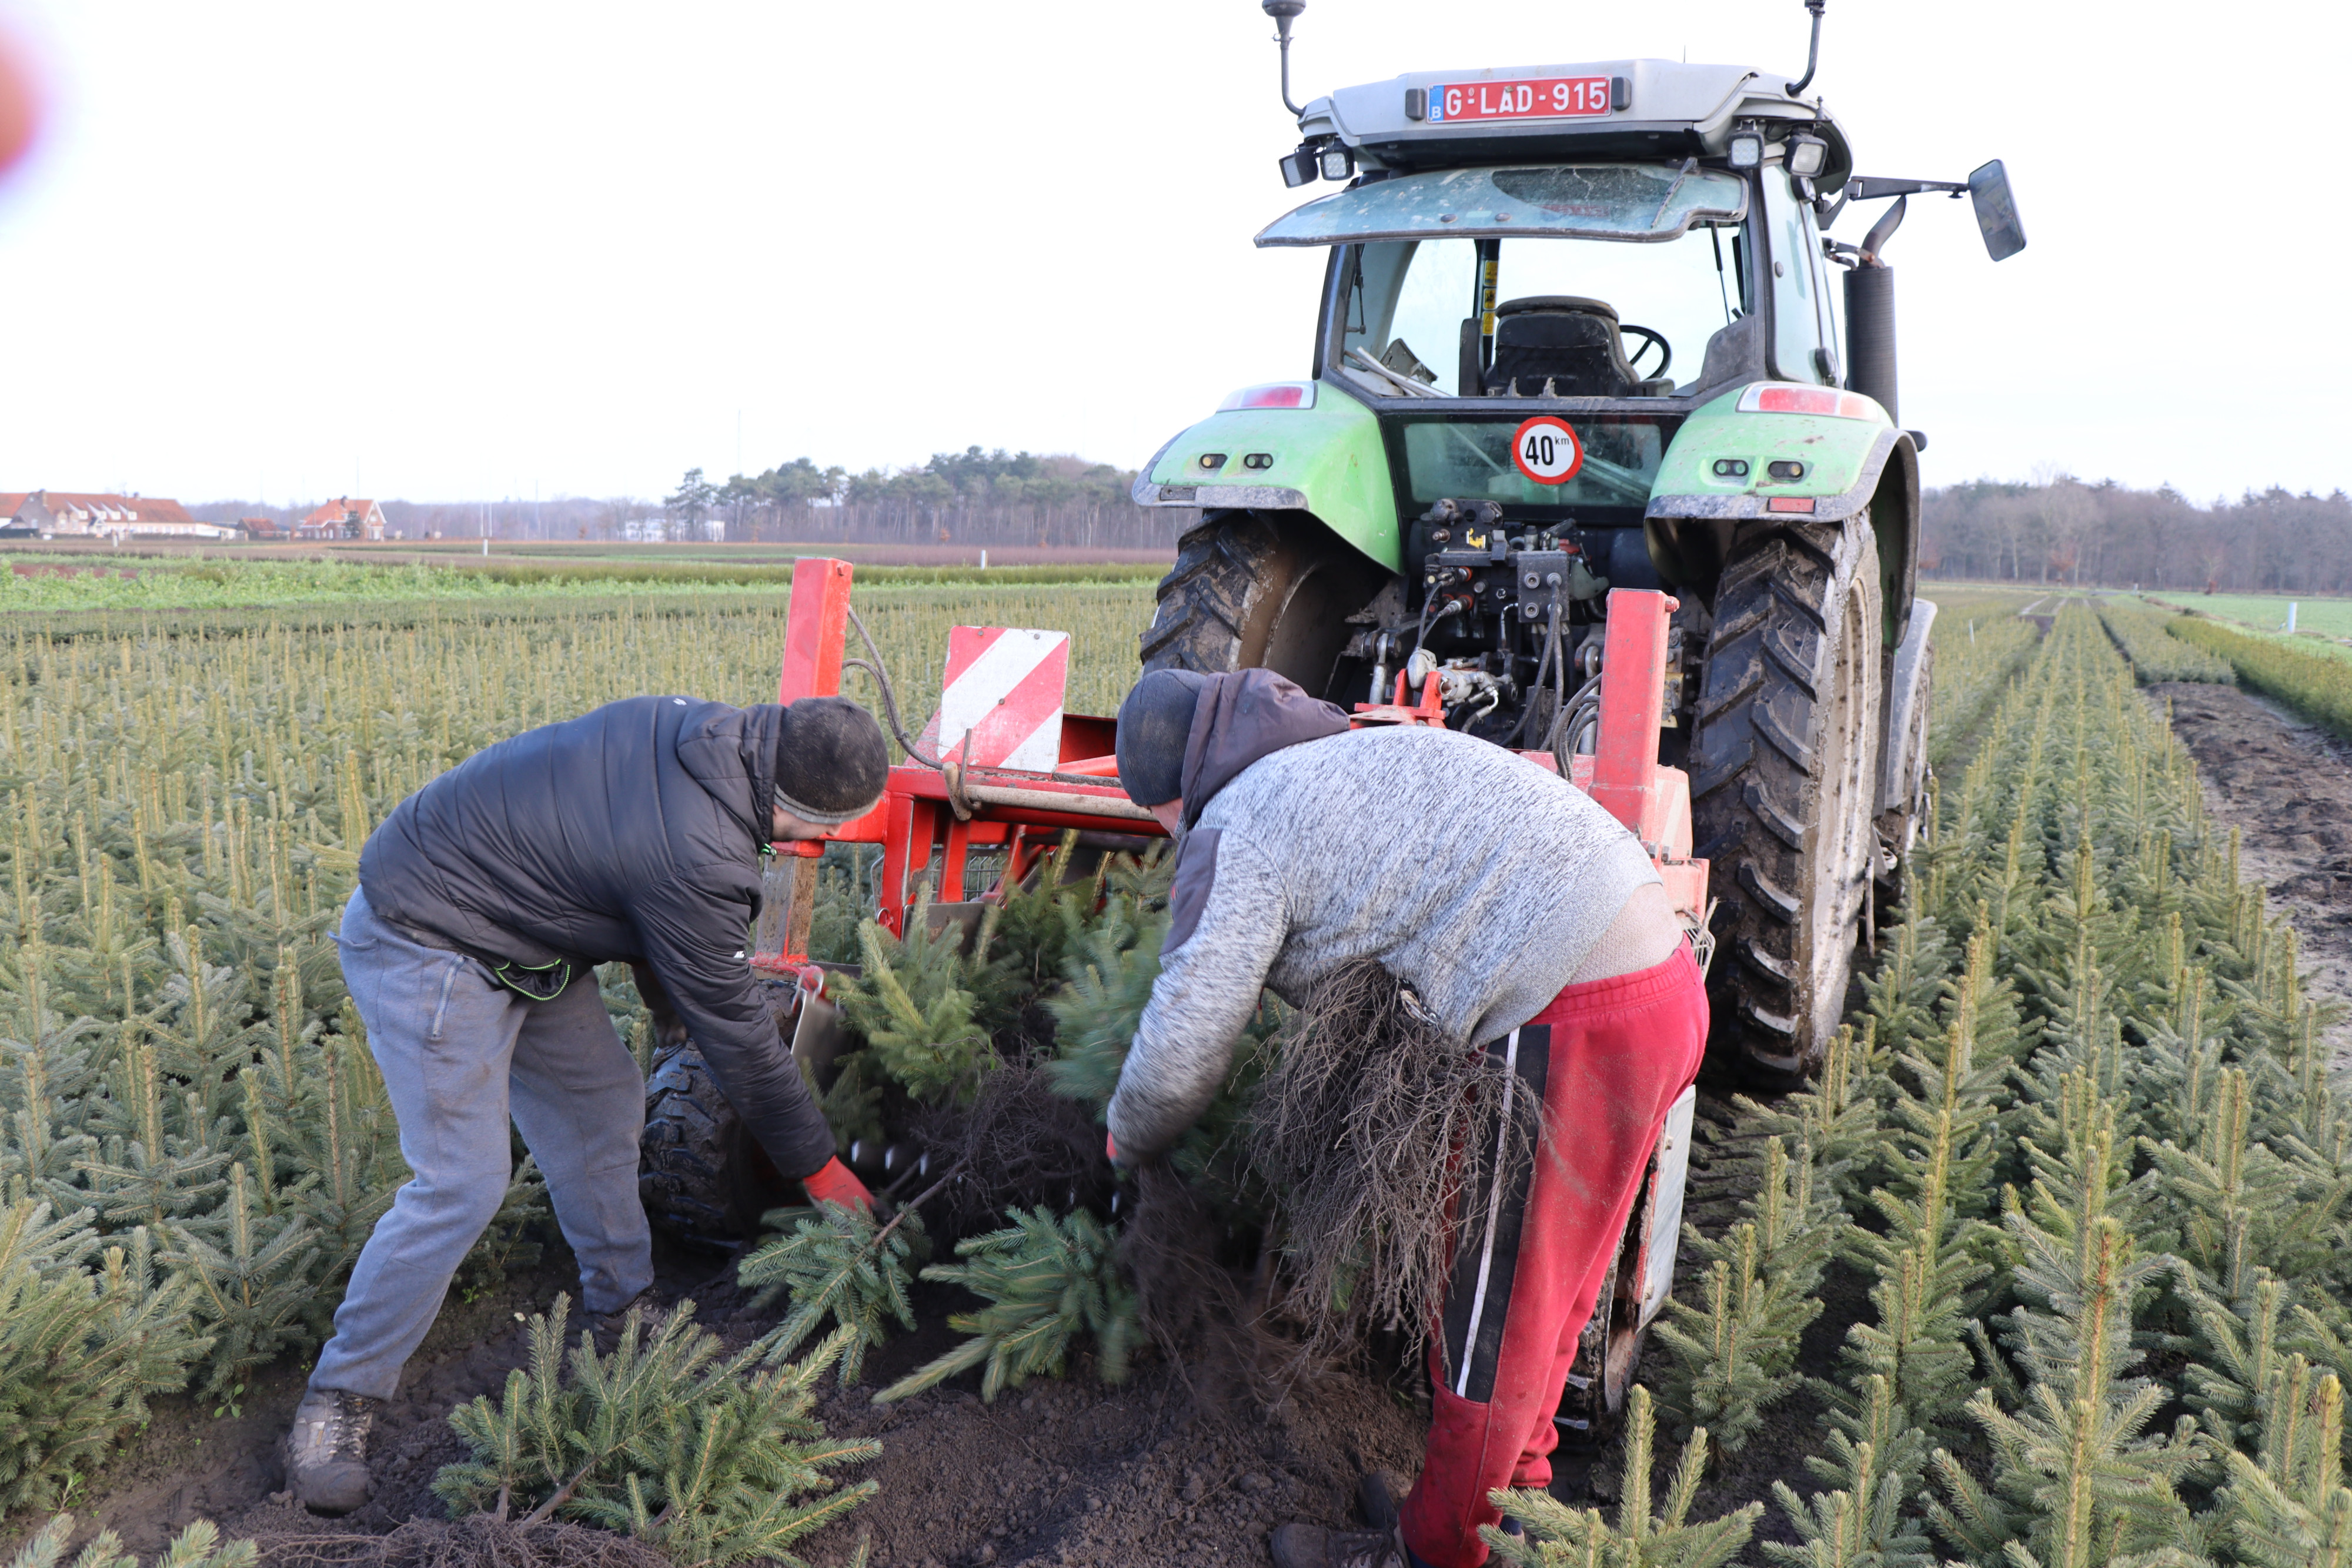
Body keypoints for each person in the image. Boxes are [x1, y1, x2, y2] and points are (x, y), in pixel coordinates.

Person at [1106, 667, 1706, 1568]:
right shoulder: (1339, 759)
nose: (1171, 838)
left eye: (1160, 822)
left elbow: (1187, 1040)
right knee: (1543, 1309)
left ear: (1173, 790)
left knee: (1485, 1331)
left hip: (1568, 1008)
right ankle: (1508, 1520)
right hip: (1655, 982)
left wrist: (1127, 1131)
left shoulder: (1240, 823)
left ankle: (1434, 1553)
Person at [283, 693, 890, 1514]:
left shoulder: (708, 739)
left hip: (526, 934)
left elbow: (646, 911)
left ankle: (623, 1310)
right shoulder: (702, 848)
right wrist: (822, 1173)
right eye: (817, 831)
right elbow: (738, 1032)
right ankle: (339, 1401)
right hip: (427, 934)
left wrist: (683, 1005)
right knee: (461, 1182)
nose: (810, 845)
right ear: (793, 809)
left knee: (605, 1106)